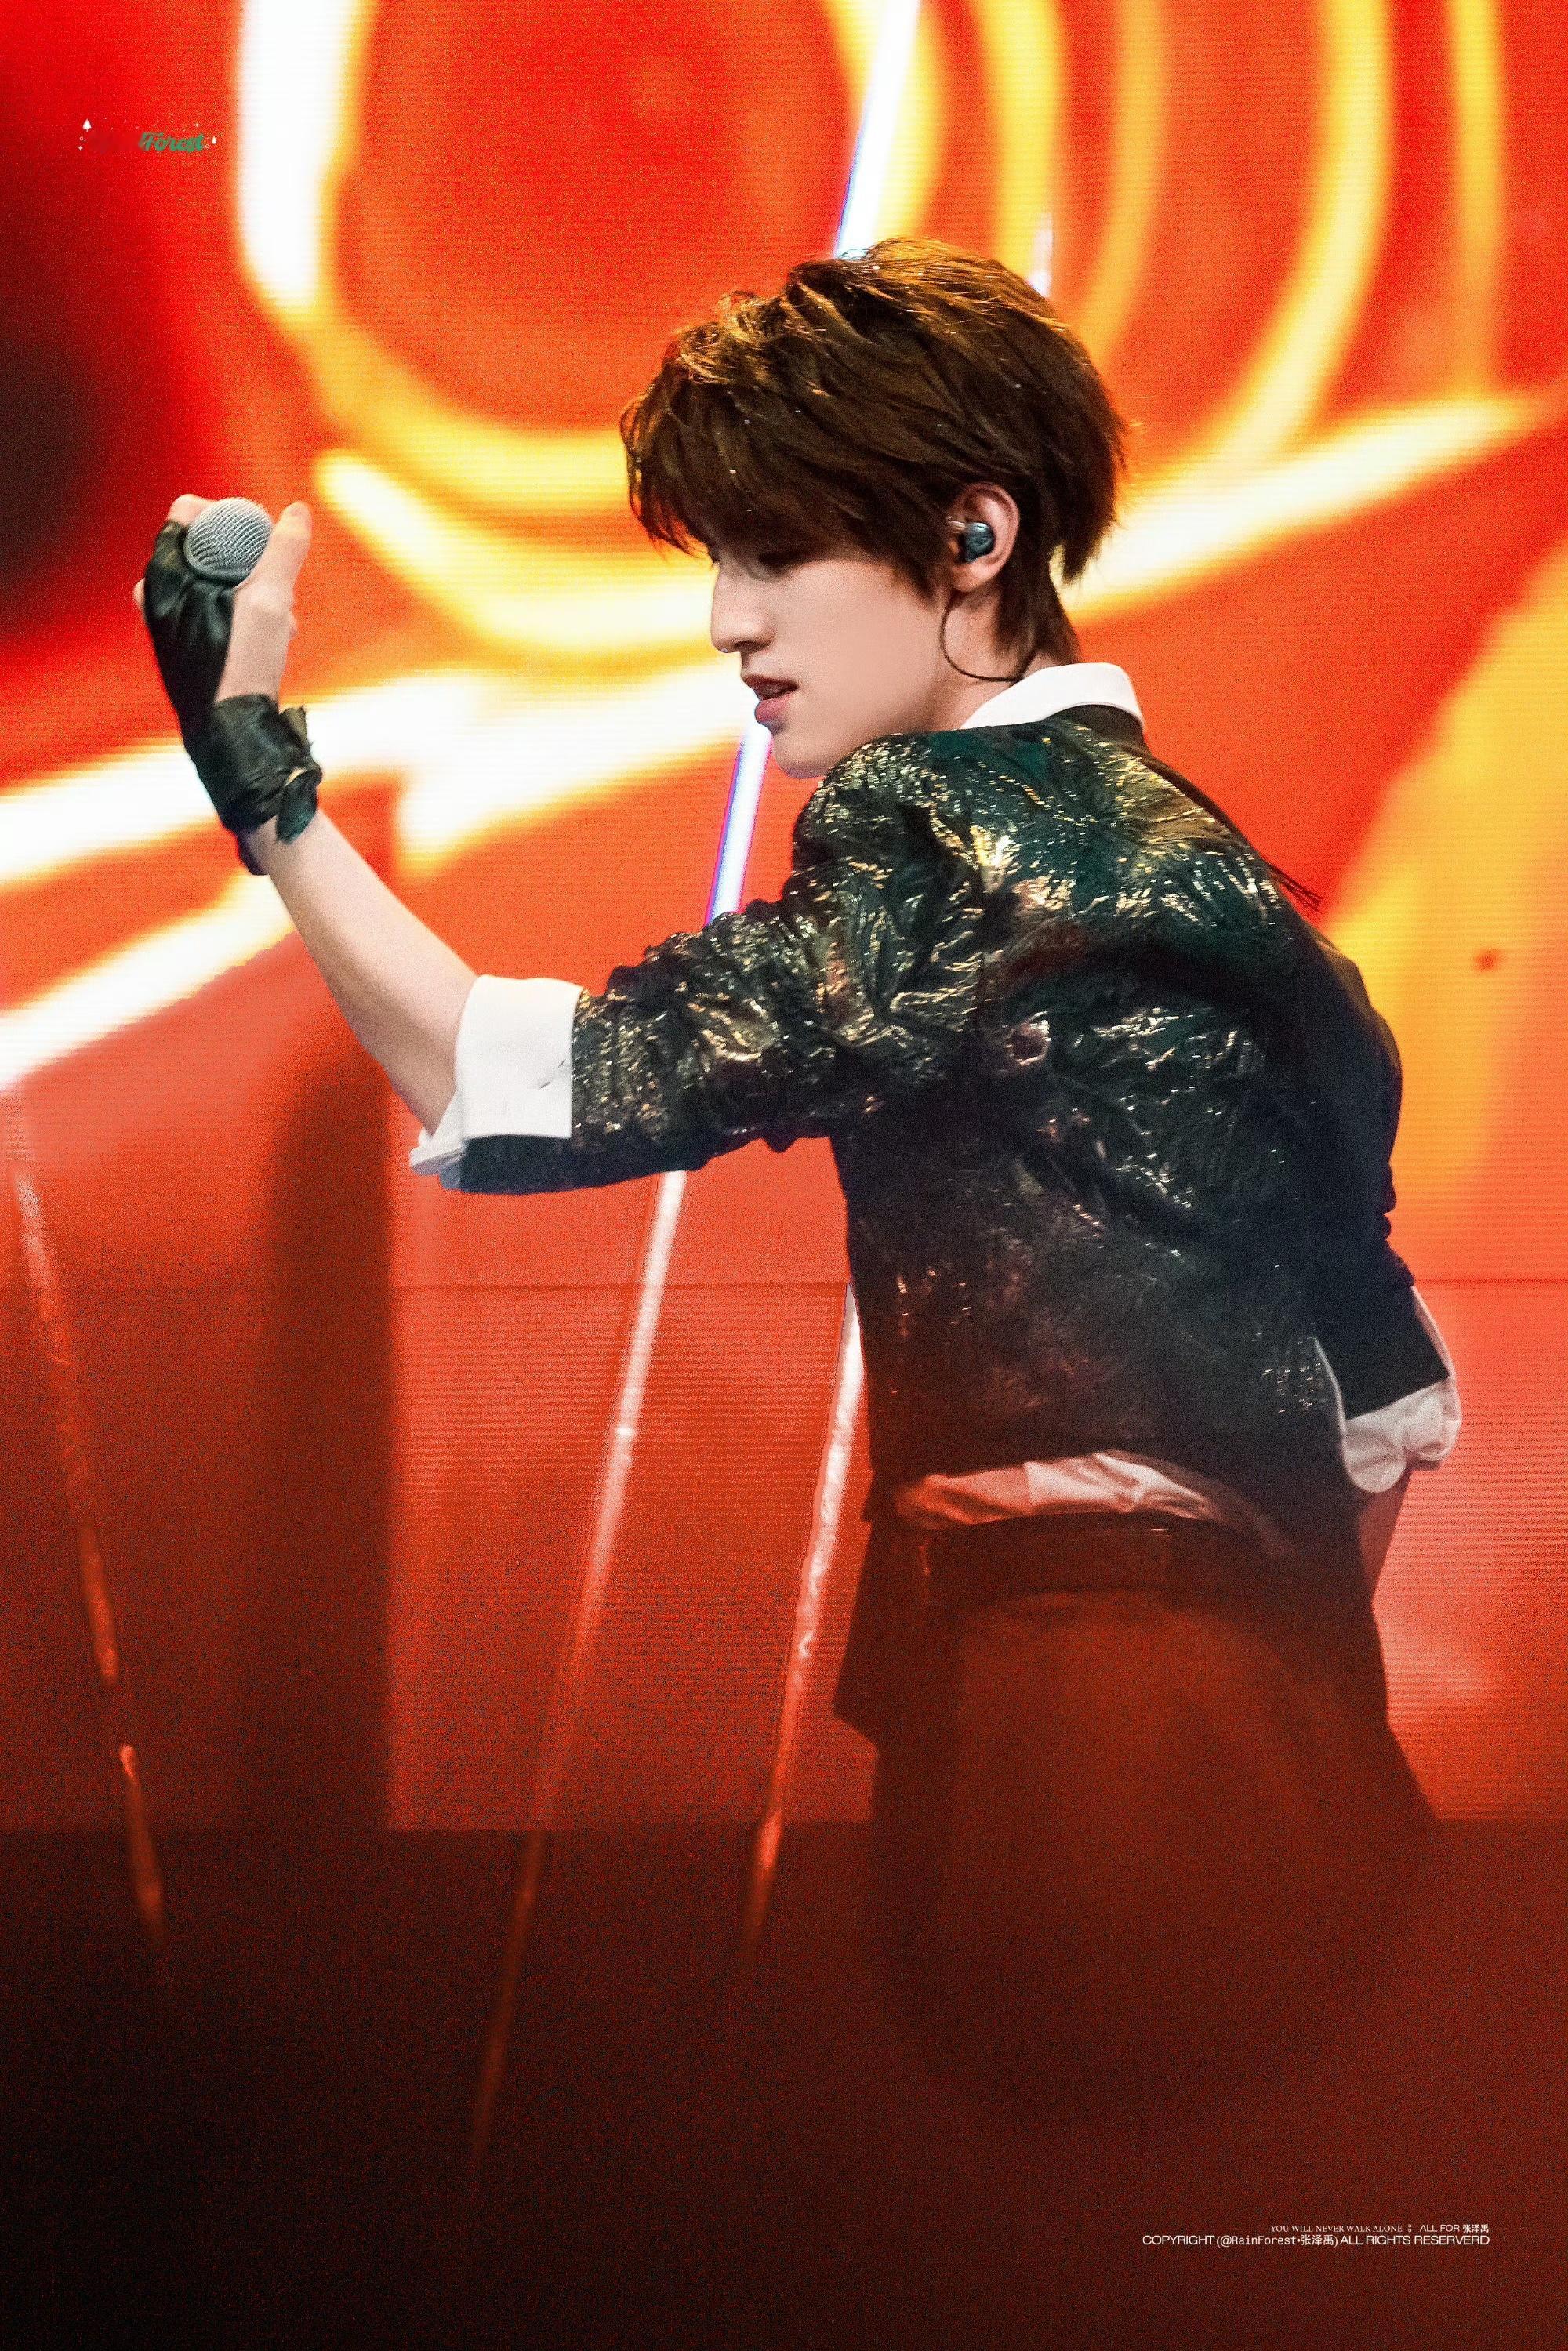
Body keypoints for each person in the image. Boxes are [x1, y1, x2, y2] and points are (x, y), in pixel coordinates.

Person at [136, 236, 1459, 2106]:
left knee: (1038, 2208)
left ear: (974, 538)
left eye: (776, 556)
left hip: (1085, 1718)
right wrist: (1269, 1683)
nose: (725, 624)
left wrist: (260, 781)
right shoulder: (1205, 870)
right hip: (1253, 1728)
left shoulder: (946, 831)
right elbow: (1392, 1407)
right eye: (718, 561)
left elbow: (537, 1089)